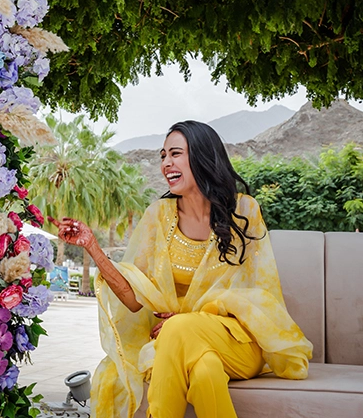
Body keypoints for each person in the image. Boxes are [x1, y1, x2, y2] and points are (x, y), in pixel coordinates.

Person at [53, 120, 313, 418]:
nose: (166, 163)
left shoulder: (244, 210)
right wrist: (92, 246)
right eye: (163, 155)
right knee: (205, 372)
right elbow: (134, 300)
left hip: (237, 342)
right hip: (178, 343)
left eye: (175, 153)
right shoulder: (158, 216)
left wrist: (190, 319)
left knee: (176, 328)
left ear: (202, 156)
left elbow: (256, 294)